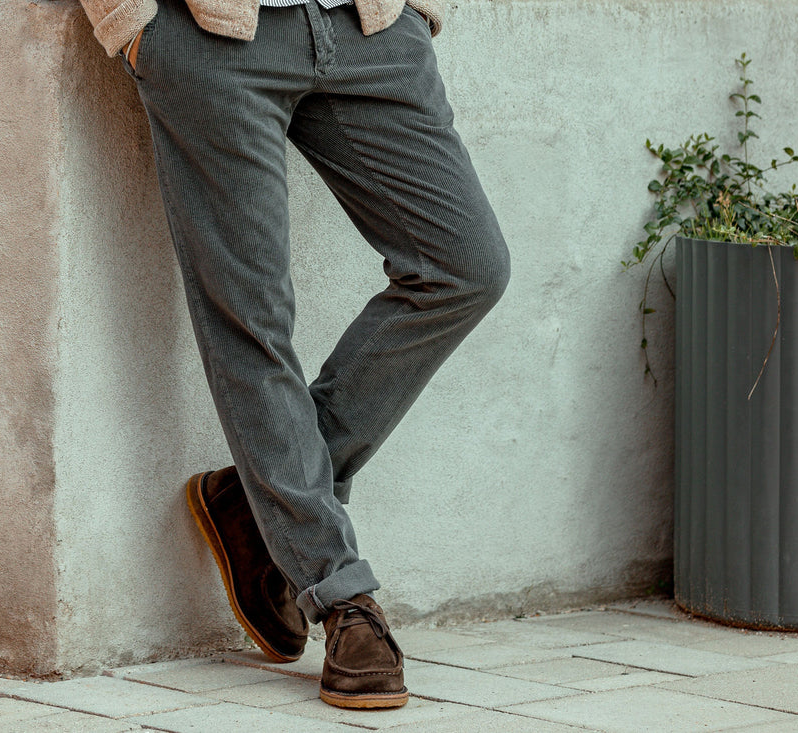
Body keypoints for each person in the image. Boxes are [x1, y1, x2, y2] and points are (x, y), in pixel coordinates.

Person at [78, 0, 509, 710]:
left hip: (369, 28)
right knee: (251, 318)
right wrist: (131, 23)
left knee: (466, 267)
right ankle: (340, 594)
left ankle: (259, 504)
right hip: (211, 36)